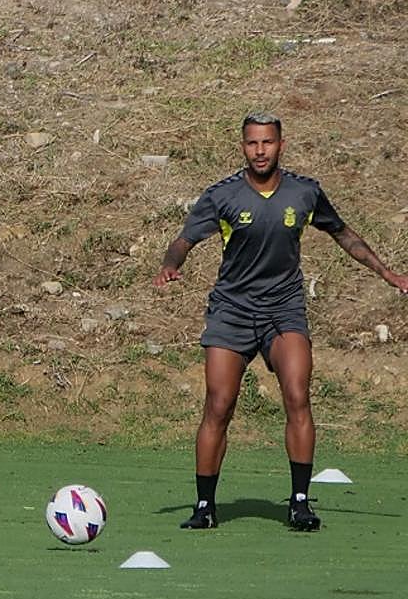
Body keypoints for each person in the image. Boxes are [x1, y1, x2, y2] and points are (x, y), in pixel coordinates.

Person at [154, 112, 408, 531]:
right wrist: (170, 265)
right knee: (219, 405)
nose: (260, 151)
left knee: (297, 394)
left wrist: (388, 273)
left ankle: (300, 503)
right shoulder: (222, 196)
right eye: (252, 143)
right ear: (243, 147)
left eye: (267, 143)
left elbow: (344, 234)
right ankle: (204, 506)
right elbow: (184, 239)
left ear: (281, 145)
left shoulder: (305, 193)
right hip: (232, 310)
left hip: (284, 308)